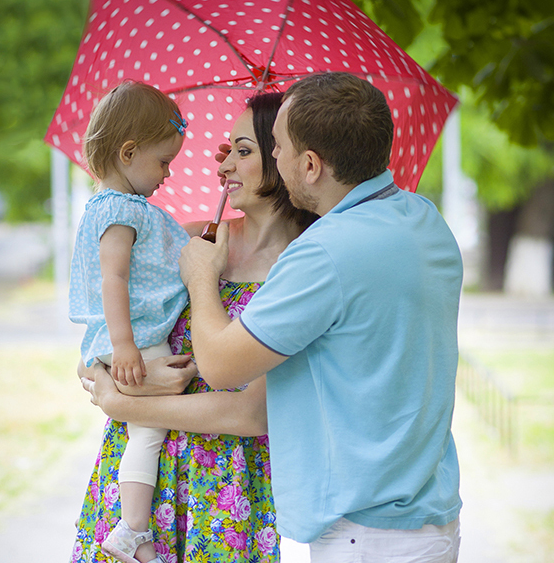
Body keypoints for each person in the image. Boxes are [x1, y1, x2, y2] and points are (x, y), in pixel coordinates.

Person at [177, 72, 464, 563]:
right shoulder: (422, 218)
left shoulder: (325, 255)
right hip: (427, 519)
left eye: (277, 146)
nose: (275, 158)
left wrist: (201, 277)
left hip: (367, 537)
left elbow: (221, 366)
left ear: (310, 165)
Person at [74, 91, 318, 563]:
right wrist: (116, 383)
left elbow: (250, 415)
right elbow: (95, 341)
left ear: (285, 159)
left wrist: (122, 400)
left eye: (242, 151)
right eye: (227, 151)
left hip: (221, 495)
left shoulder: (304, 269)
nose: (223, 165)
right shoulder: (191, 237)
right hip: (134, 486)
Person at [69, 80, 192, 563]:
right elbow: (113, 280)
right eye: (163, 161)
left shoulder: (124, 207)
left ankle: (130, 526)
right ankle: (132, 531)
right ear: (128, 152)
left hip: (131, 336)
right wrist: (124, 346)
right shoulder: (120, 210)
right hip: (135, 337)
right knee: (149, 430)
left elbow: (159, 252)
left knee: (141, 427)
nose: (168, 173)